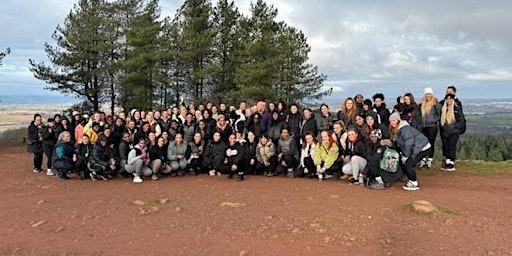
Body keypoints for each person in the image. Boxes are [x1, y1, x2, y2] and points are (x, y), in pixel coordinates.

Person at [389, 112, 431, 191]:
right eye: (390, 121)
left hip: (422, 147)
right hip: (417, 147)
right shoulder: (398, 129)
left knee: (409, 163)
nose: (392, 123)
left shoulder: (405, 129)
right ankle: (410, 179)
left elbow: (408, 143)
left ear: (398, 120)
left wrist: (405, 156)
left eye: (393, 120)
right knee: (406, 162)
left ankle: (414, 183)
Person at [439, 93, 466, 171]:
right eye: (447, 99)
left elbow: (461, 121)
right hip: (445, 131)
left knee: (452, 146)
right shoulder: (443, 109)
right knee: (446, 146)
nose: (449, 100)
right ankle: (447, 162)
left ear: (453, 100)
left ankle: (452, 163)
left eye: (450, 99)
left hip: (454, 131)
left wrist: (452, 127)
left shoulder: (457, 109)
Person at [419, 87, 441, 168]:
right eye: (426, 94)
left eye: (429, 94)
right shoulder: (421, 104)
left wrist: (434, 120)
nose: (428, 95)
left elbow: (440, 115)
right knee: (423, 143)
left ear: (432, 94)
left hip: (432, 126)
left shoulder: (436, 104)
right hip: (423, 126)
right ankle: (423, 159)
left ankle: (430, 160)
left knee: (431, 143)